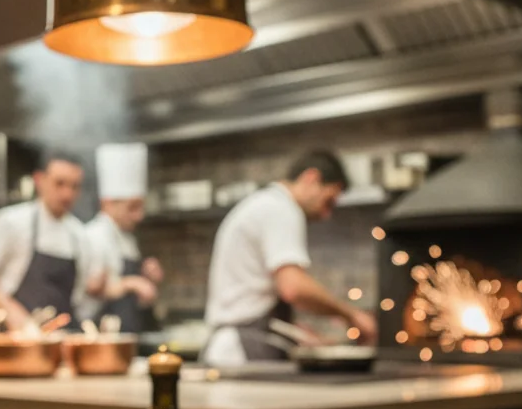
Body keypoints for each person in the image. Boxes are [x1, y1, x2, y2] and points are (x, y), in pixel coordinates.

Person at [202, 151, 378, 366]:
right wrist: (353, 315)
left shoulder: (264, 204)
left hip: (237, 345)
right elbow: (293, 288)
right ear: (311, 178)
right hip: (243, 350)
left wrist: (295, 333)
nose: (326, 214)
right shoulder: (281, 209)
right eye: (328, 201)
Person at [0, 152, 102, 330]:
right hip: (13, 337)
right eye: (59, 183)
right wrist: (13, 314)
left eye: (74, 186)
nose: (67, 194)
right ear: (39, 180)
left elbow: (79, 298)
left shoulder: (80, 236)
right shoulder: (10, 221)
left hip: (64, 336)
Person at [82, 143, 161, 333]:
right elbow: (91, 289)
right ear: (108, 203)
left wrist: (146, 276)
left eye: (141, 207)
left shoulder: (128, 239)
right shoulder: (93, 236)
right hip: (101, 334)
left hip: (130, 331)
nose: (139, 216)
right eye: (132, 207)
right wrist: (132, 283)